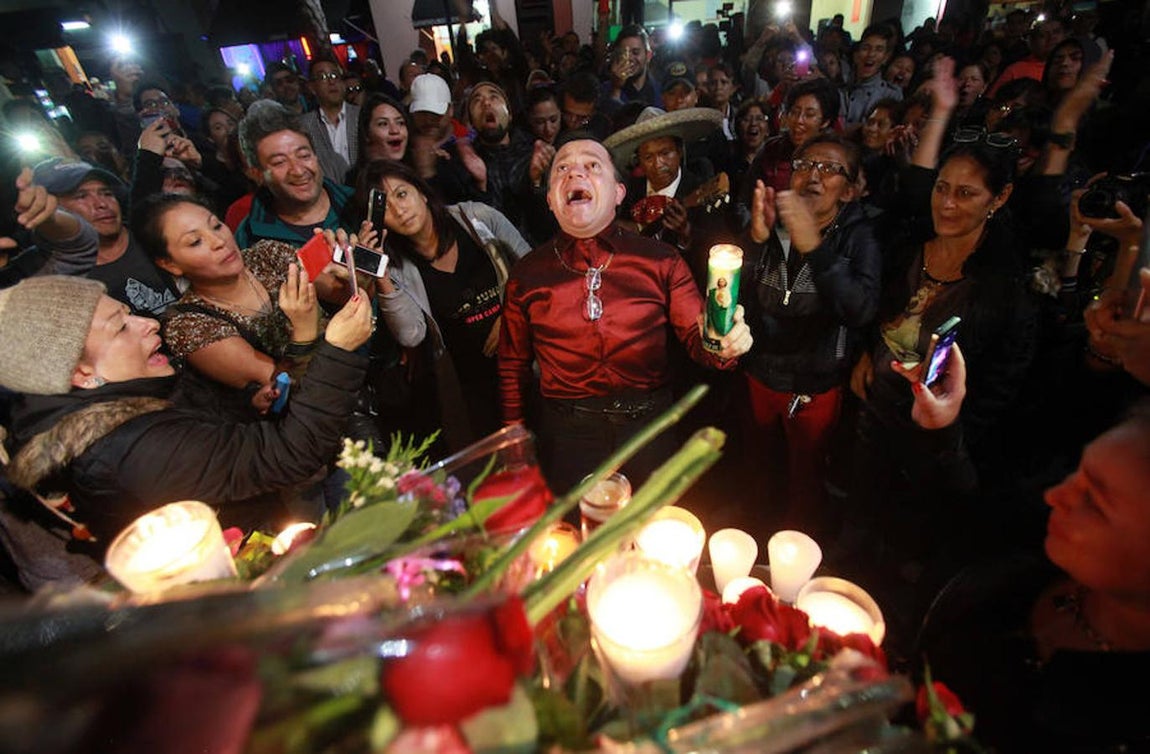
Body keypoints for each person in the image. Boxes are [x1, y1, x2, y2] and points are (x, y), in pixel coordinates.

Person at [0, 274, 372, 582]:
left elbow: (198, 438)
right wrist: (338, 351)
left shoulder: (118, 403)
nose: (148, 323)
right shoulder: (128, 448)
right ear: (81, 374)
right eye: (121, 328)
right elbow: (290, 454)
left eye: (130, 313)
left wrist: (245, 409)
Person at [498, 133, 753, 493]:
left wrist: (725, 345)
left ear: (618, 193)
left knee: (654, 532)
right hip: (568, 433)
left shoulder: (661, 260)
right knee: (574, 537)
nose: (575, 174)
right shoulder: (527, 275)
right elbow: (512, 365)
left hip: (648, 426)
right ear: (551, 201)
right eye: (562, 169)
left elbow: (702, 343)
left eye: (592, 166)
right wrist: (513, 438)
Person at [915, 400, 1150, 753]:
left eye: (1094, 502)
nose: (1056, 496)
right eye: (1078, 473)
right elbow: (970, 516)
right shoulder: (1038, 553)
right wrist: (943, 430)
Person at [741, 133, 881, 538]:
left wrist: (816, 248)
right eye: (804, 165)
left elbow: (860, 309)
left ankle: (795, 547)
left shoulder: (858, 236)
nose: (813, 176)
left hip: (813, 385)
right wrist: (755, 240)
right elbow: (741, 293)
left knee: (805, 476)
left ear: (850, 190)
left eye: (830, 169)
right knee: (757, 464)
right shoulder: (772, 218)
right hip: (760, 373)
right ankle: (751, 535)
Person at [356, 159, 530, 449]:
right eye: (385, 206)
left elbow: (534, 271)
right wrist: (380, 271)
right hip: (472, 387)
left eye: (402, 194)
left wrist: (512, 317)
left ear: (421, 192)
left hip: (527, 360)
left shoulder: (478, 218)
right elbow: (411, 333)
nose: (399, 210)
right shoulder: (398, 268)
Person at [131, 193, 324, 418]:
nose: (219, 241)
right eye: (195, 241)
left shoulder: (265, 255)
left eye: (216, 226)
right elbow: (286, 386)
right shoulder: (189, 324)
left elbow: (344, 292)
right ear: (170, 264)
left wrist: (351, 263)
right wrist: (304, 330)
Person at [32, 157, 182, 316]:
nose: (102, 204)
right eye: (81, 196)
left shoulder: (153, 234)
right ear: (52, 209)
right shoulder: (51, 277)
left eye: (106, 193)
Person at [301, 55, 360, 185]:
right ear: (312, 87)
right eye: (323, 77)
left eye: (335, 75)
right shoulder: (304, 125)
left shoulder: (362, 115)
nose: (331, 82)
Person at [842, 25, 903, 126]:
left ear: (885, 58)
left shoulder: (891, 95)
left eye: (879, 50)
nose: (871, 54)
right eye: (866, 48)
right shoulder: (841, 89)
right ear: (856, 55)